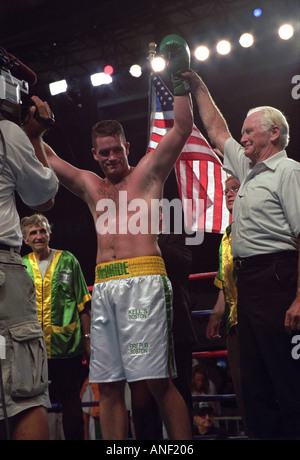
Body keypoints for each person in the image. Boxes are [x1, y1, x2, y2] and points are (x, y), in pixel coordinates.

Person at [41, 35, 194, 440]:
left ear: (127, 147)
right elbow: (51, 162)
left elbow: (181, 128)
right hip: (105, 286)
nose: (111, 158)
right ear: (94, 153)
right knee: (106, 387)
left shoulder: (147, 173)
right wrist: (33, 129)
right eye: (103, 153)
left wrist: (180, 81)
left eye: (117, 150)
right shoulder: (90, 184)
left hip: (144, 281)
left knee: (158, 382)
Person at [183, 69, 300, 439]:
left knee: (287, 378)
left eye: (250, 131)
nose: (242, 137)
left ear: (274, 134)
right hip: (246, 285)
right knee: (254, 380)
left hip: (279, 279)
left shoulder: (288, 172)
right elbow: (218, 130)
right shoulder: (247, 170)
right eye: (244, 132)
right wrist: (198, 86)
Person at [0, 93, 58, 440]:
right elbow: (43, 198)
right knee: (24, 390)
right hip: (4, 276)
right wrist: (33, 135)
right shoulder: (7, 131)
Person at [20, 214, 91, 440]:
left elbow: (83, 303)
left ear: (49, 233)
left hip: (67, 349)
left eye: (42, 231)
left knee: (72, 405)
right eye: (33, 232)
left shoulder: (68, 260)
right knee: (33, 407)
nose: (39, 236)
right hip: (32, 352)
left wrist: (88, 340)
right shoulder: (21, 267)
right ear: (25, 239)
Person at [206, 175, 246, 427]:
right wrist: (215, 314)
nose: (229, 193)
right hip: (235, 326)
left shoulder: (262, 225)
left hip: (262, 319)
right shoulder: (226, 236)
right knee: (244, 393)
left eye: (235, 188)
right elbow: (224, 283)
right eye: (226, 190)